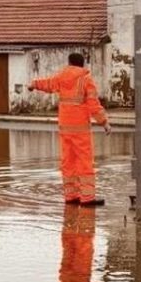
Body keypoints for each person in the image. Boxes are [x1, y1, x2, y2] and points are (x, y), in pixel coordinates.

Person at [29, 53, 111, 206]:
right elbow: (94, 105)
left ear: (69, 62)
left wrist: (34, 84)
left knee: (68, 162)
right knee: (85, 163)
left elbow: (48, 84)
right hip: (81, 129)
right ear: (82, 64)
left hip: (65, 128)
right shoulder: (86, 80)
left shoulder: (61, 77)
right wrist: (104, 122)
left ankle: (71, 196)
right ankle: (87, 198)